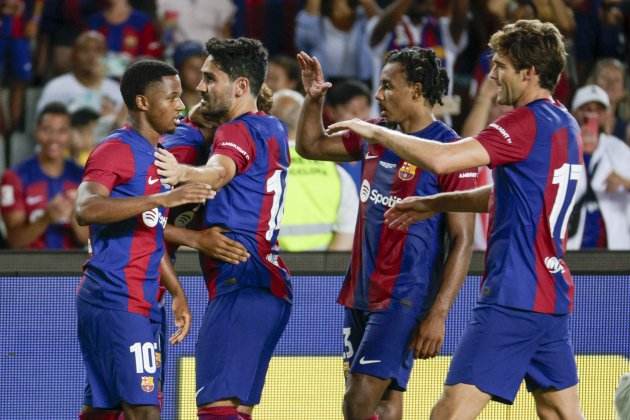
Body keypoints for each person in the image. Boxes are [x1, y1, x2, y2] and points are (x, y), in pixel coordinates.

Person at [329, 19, 585, 419]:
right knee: (559, 412)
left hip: (512, 297)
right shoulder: (564, 123)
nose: (493, 74)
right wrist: (435, 203)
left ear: (529, 72)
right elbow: (509, 196)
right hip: (551, 294)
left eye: (501, 65)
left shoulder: (522, 123)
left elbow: (443, 157)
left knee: (448, 414)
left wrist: (375, 132)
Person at [296, 47, 477, 420]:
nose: (378, 95)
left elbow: (463, 240)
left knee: (357, 400)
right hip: (361, 289)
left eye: (387, 86)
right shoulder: (376, 134)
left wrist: (439, 312)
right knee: (386, 402)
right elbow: (310, 146)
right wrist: (313, 99)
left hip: (404, 296)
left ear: (415, 89)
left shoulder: (450, 150)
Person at [154, 37, 292, 420]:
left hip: (241, 281)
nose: (200, 87)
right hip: (268, 283)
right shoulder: (273, 127)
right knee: (235, 411)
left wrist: (183, 172)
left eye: (210, 78)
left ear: (240, 87)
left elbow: (218, 171)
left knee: (216, 410)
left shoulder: (234, 131)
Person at [74, 59, 214, 420]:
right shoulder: (116, 149)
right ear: (143, 102)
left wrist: (178, 292)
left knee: (102, 409)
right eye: (172, 97)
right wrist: (160, 199)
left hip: (141, 299)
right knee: (144, 410)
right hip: (117, 298)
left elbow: (149, 233)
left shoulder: (161, 156)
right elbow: (85, 208)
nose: (181, 106)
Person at [271, 89, 358, 252]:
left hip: (269, 271)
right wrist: (320, 273)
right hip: (320, 274)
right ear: (303, 121)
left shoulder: (257, 167)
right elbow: (347, 235)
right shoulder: (336, 172)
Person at [0, 102, 87, 249]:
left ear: (70, 134)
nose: (54, 138)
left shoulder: (82, 176)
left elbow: (87, 239)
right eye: (47, 130)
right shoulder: (14, 177)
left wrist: (73, 214)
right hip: (29, 268)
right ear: (36, 131)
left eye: (62, 131)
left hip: (73, 267)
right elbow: (14, 241)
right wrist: (46, 218)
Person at [566, 84, 630, 250]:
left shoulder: (619, 149)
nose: (592, 114)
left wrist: (624, 182)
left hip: (612, 246)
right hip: (570, 244)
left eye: (598, 110)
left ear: (607, 115)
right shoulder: (562, 147)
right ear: (574, 113)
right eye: (586, 108)